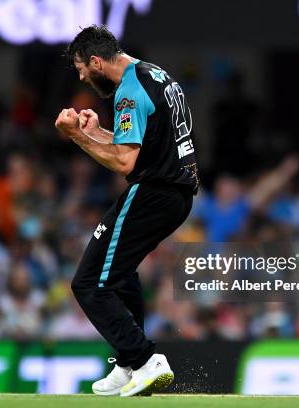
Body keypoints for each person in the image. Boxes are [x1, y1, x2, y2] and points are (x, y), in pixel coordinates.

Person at [55, 25, 200, 397]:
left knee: (88, 283)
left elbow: (123, 162)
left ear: (97, 61)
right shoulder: (153, 73)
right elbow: (135, 144)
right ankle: (126, 365)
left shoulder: (128, 92)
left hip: (153, 192)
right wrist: (98, 131)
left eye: (81, 68)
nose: (82, 77)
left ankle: (145, 359)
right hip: (175, 195)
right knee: (119, 276)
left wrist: (75, 136)